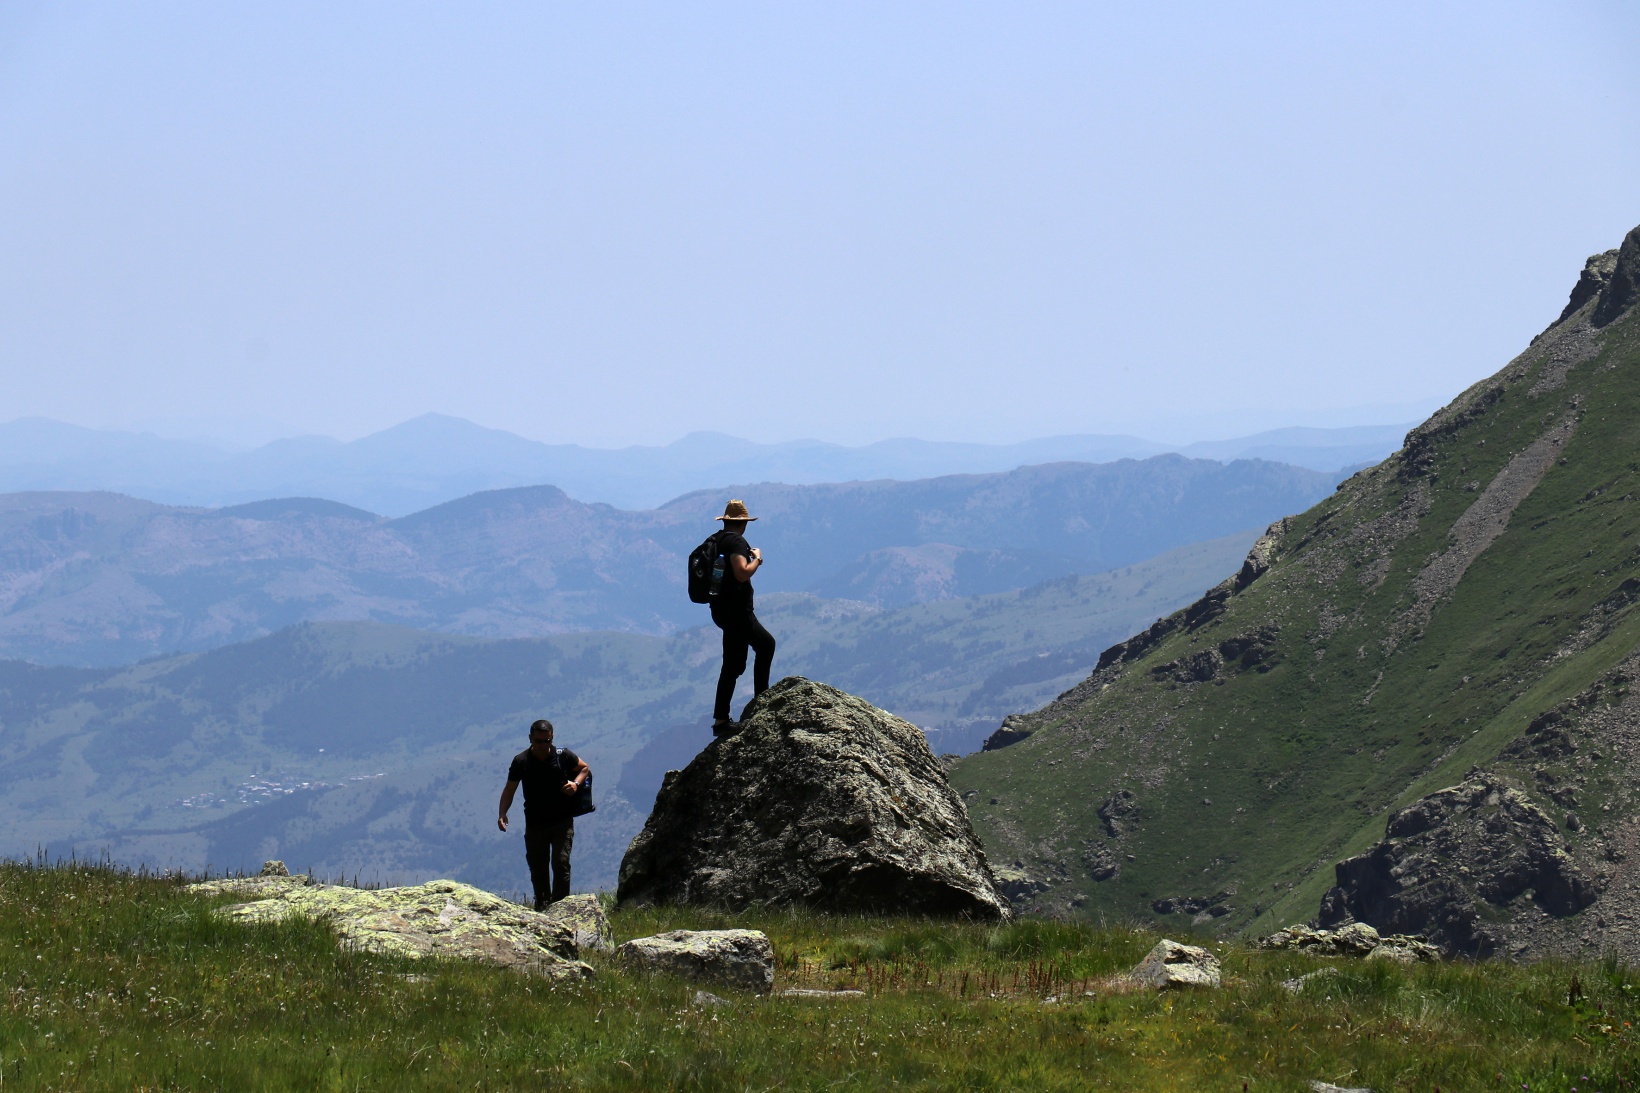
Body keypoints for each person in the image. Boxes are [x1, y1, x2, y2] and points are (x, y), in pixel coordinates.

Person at [497, 718, 590, 910]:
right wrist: (502, 813)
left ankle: (561, 907)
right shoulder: (521, 761)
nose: (542, 745)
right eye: (538, 741)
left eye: (546, 741)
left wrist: (576, 784)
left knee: (561, 862)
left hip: (562, 821)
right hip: (535, 824)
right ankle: (542, 906)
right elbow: (509, 790)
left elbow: (584, 768)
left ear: (552, 738)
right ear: (530, 738)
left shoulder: (562, 756)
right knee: (538, 868)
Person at [709, 498, 776, 734]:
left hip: (721, 610)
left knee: (733, 664)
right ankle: (762, 704)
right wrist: (757, 558)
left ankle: (721, 721)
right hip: (738, 612)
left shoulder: (717, 540)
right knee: (766, 645)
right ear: (744, 523)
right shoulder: (736, 542)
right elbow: (741, 573)